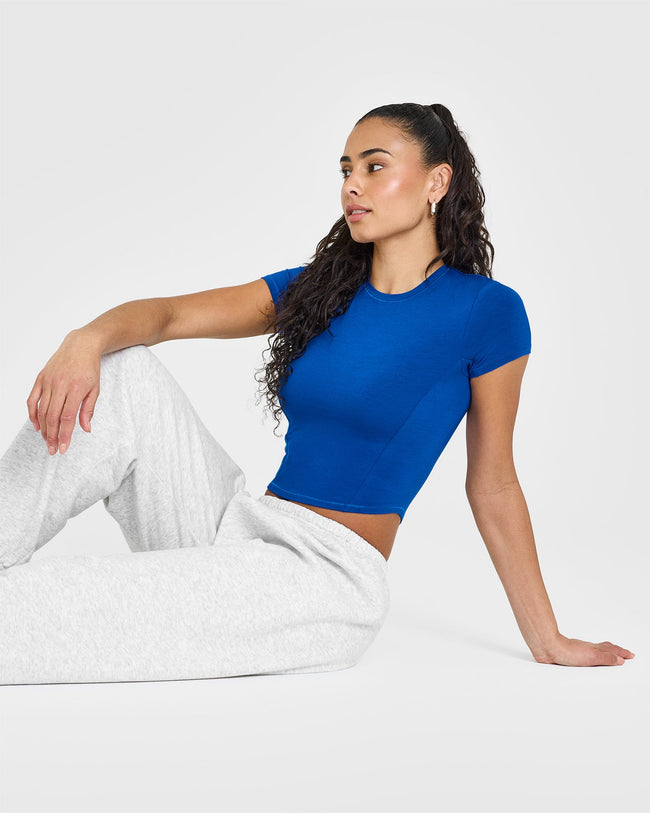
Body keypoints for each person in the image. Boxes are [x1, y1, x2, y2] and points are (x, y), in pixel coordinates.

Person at [0, 102, 634, 686]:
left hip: (322, 579)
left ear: (436, 183)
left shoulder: (485, 312)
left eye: (375, 167)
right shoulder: (318, 290)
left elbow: (492, 483)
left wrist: (547, 639)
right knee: (123, 370)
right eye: (346, 169)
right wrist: (83, 340)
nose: (352, 185)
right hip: (242, 529)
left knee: (48, 607)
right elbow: (168, 315)